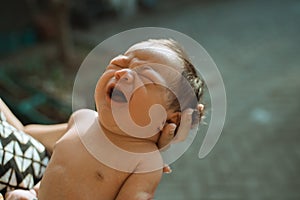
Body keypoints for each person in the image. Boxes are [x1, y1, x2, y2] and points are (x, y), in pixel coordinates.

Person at [3, 38, 205, 200]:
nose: (123, 73)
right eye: (118, 63)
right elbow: (39, 148)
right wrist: (33, 193)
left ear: (170, 118)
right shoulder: (82, 120)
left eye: (146, 77)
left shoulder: (144, 161)